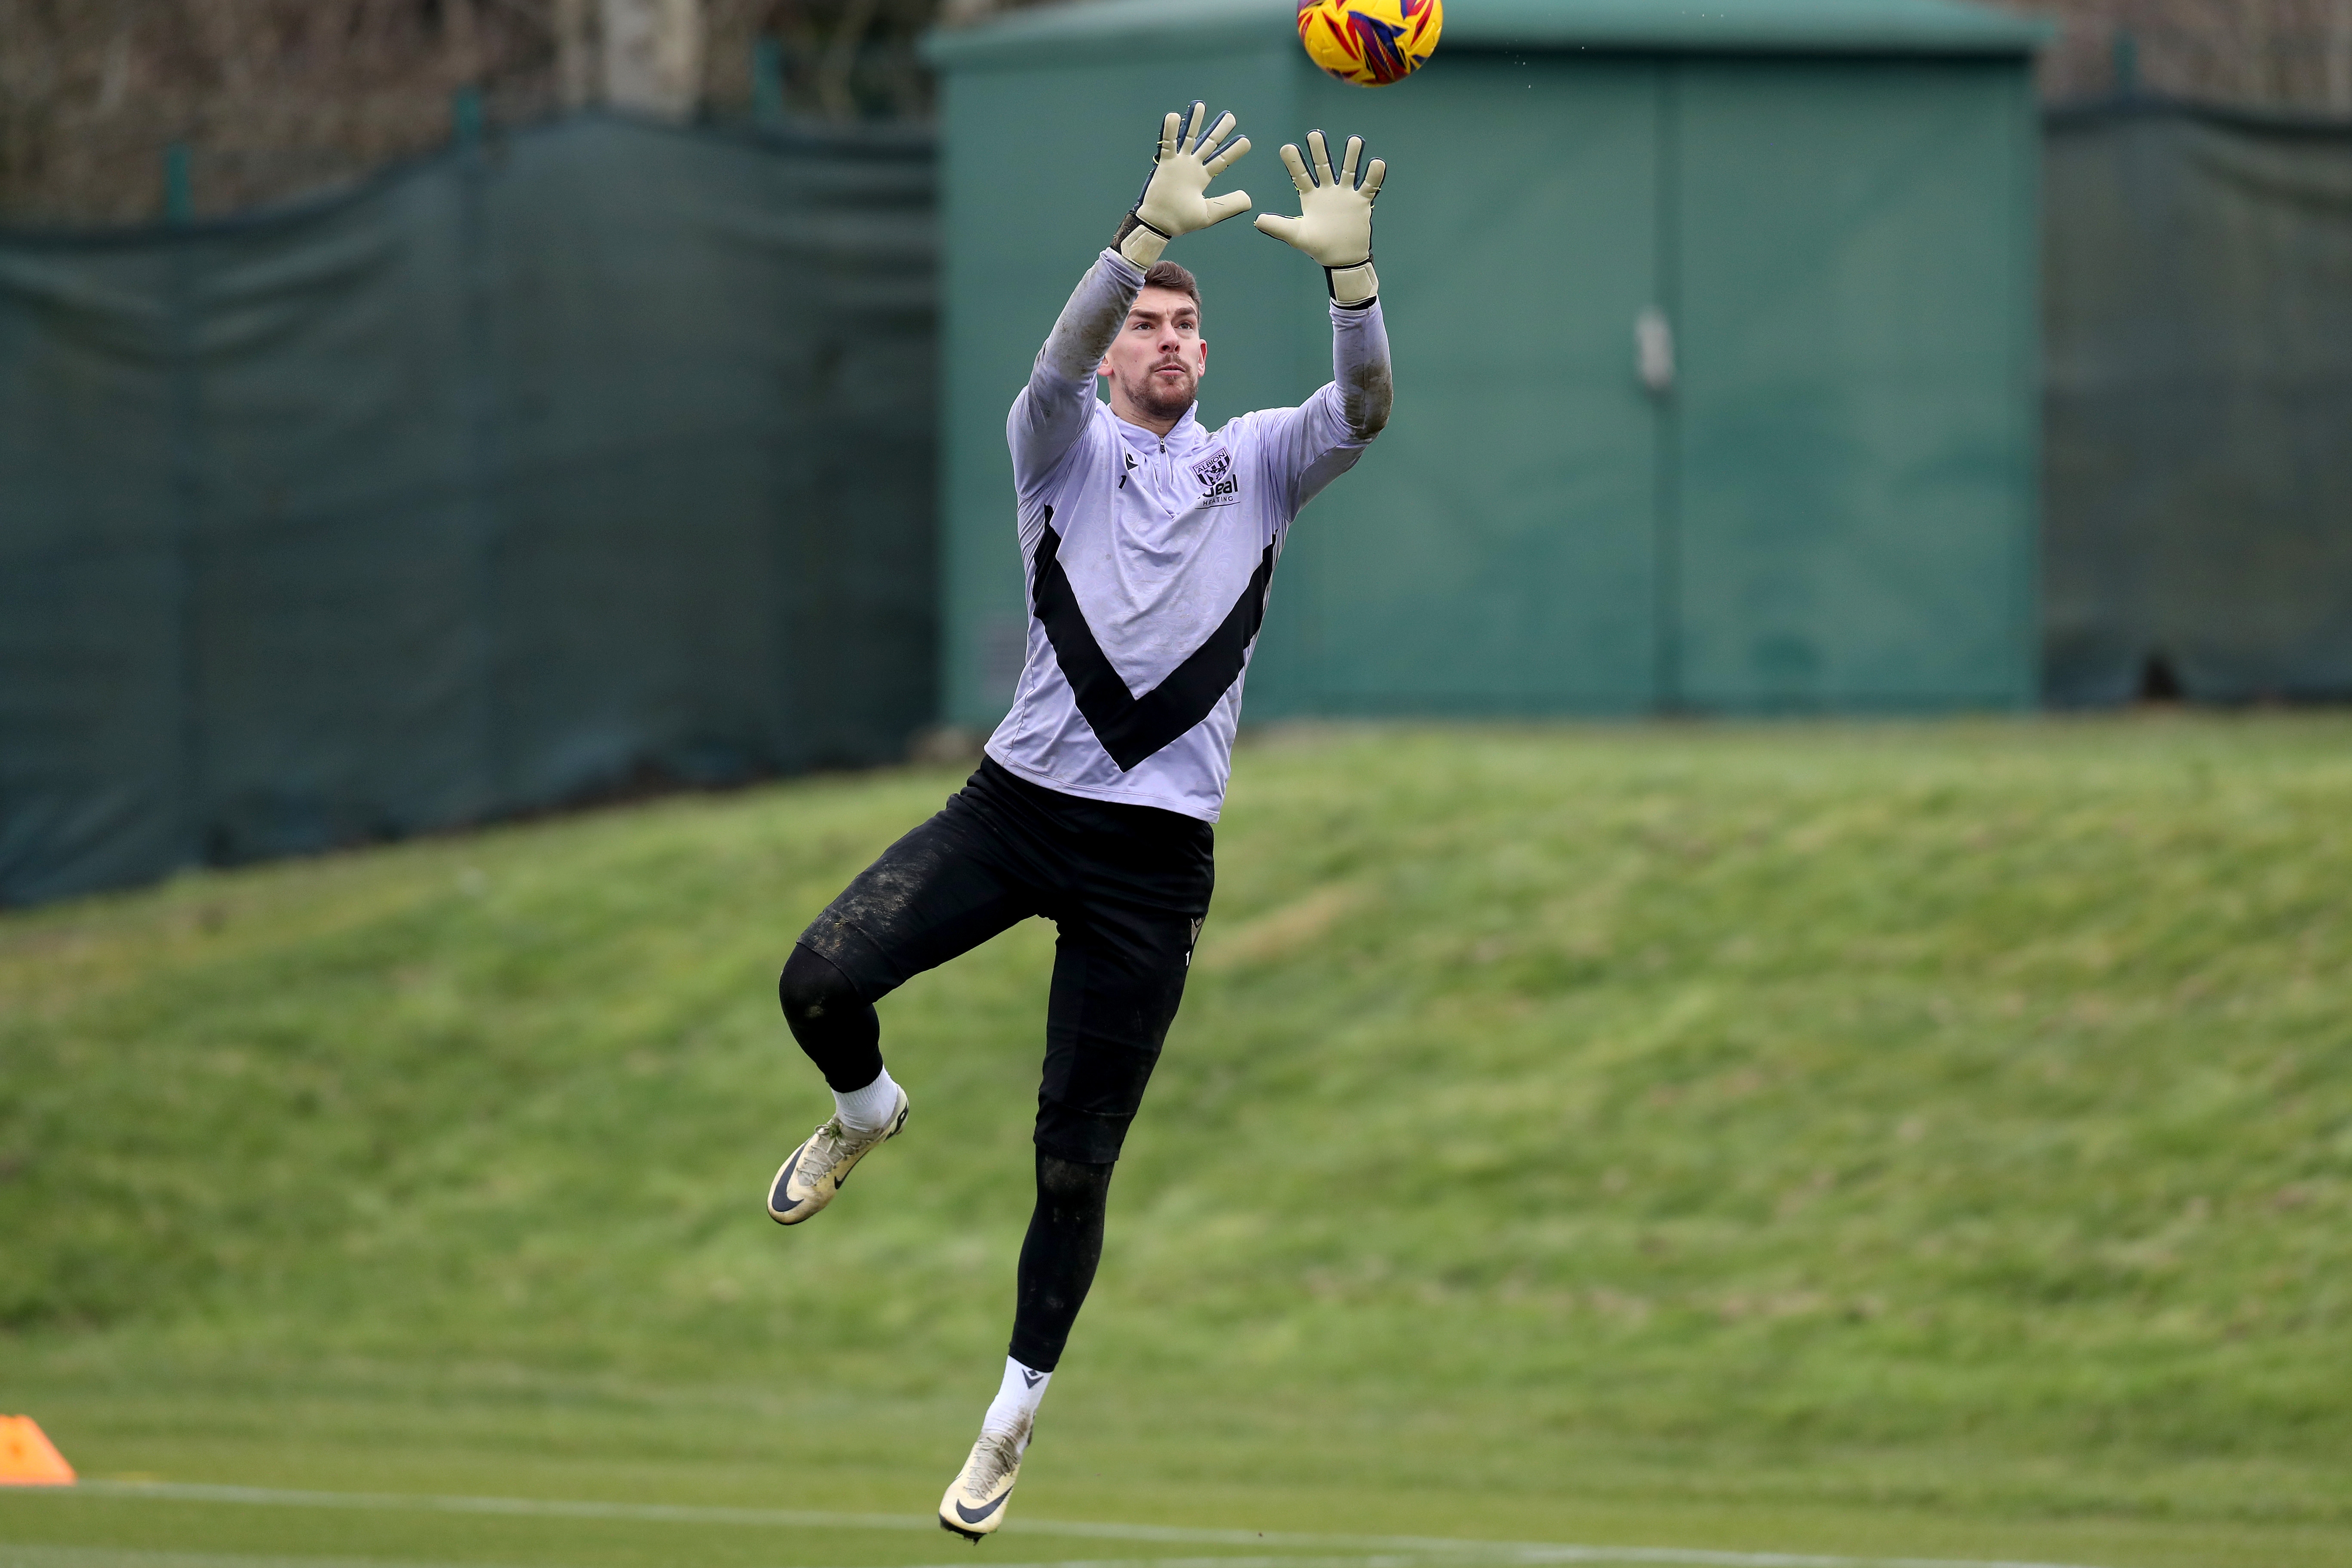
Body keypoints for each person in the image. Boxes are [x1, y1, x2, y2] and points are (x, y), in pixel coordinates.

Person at [765, 100, 1394, 1540]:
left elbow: (1364, 411)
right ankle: (868, 1113)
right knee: (817, 978)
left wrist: (1353, 286)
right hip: (1016, 815)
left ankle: (1007, 1425)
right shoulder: (1058, 447)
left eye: (1184, 325)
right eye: (1147, 322)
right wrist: (1140, 235)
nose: (1166, 338)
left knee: (1073, 1161)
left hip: (1153, 865)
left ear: (1208, 358)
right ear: (1117, 351)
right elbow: (1052, 358)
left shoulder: (1261, 465)